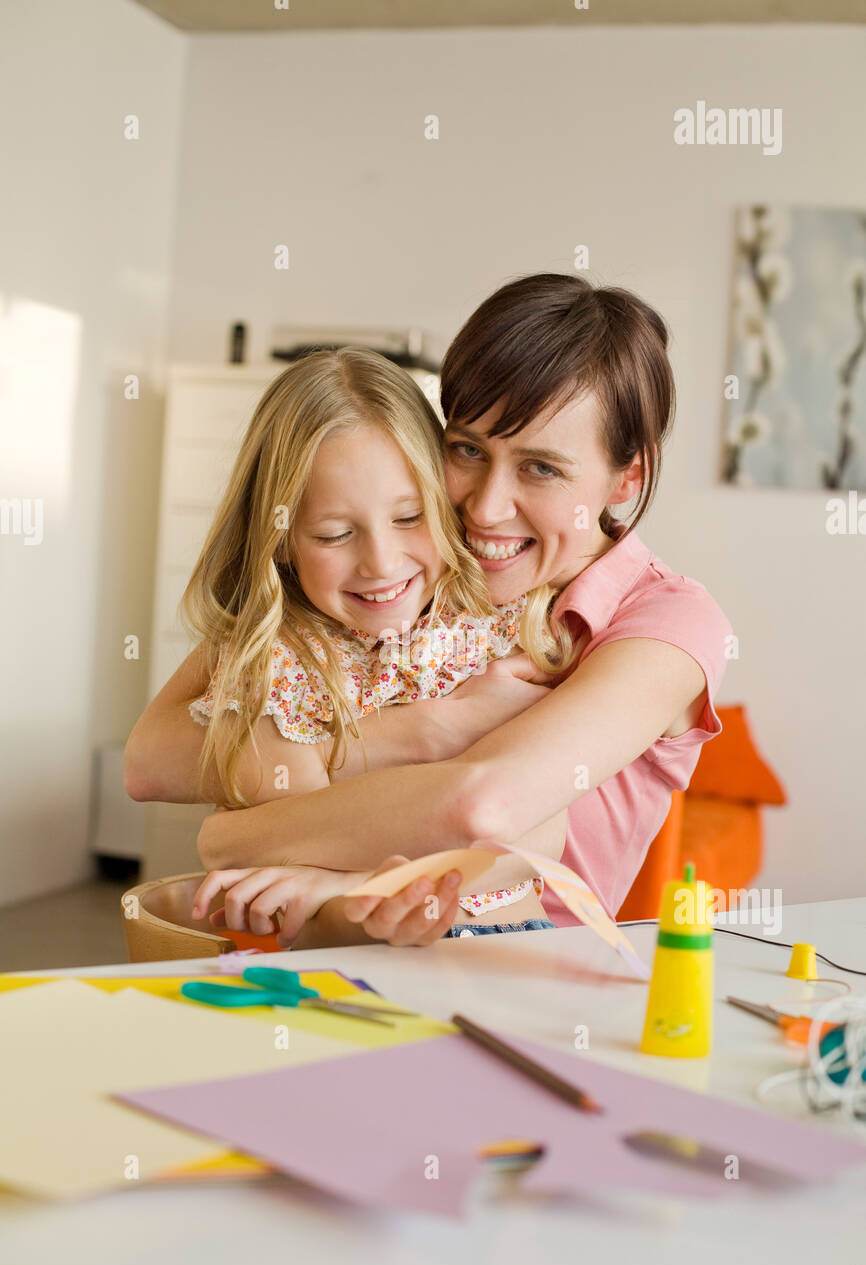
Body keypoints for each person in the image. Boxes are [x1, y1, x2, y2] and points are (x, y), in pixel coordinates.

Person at [126, 273, 731, 949]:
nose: (484, 506)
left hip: (524, 969)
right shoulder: (414, 566)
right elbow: (154, 756)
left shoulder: (669, 621)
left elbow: (485, 807)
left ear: (629, 476)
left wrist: (233, 837)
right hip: (335, 956)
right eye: (468, 449)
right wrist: (426, 729)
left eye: (540, 468)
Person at [127, 344, 571, 945]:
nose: (382, 563)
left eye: (411, 517)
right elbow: (293, 848)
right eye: (335, 534)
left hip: (516, 945)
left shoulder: (495, 627)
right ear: (281, 541)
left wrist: (360, 870)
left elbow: (542, 828)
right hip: (355, 959)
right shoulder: (278, 665)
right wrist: (359, 883)